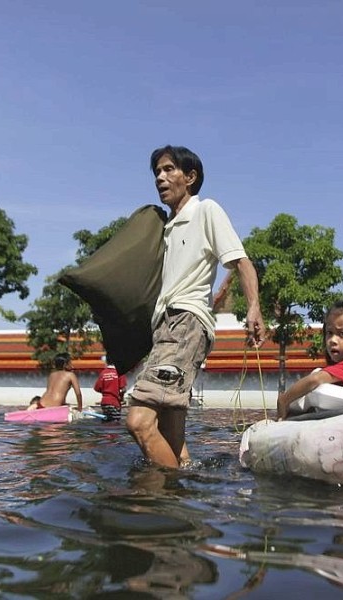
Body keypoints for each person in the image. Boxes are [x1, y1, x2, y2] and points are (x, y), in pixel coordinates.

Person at [126, 145, 265, 469]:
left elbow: (241, 262)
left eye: (169, 169)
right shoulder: (165, 228)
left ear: (190, 177)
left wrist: (253, 309)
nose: (160, 177)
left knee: (139, 421)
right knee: (172, 436)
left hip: (185, 322)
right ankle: (186, 489)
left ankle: (165, 499)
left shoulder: (206, 210)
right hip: (164, 327)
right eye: (157, 172)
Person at [94, 356, 128, 421]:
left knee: (106, 421)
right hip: (114, 402)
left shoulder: (103, 373)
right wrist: (121, 398)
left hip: (105, 403)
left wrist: (106, 391)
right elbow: (123, 389)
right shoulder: (120, 372)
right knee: (115, 423)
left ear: (106, 361)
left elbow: (97, 388)